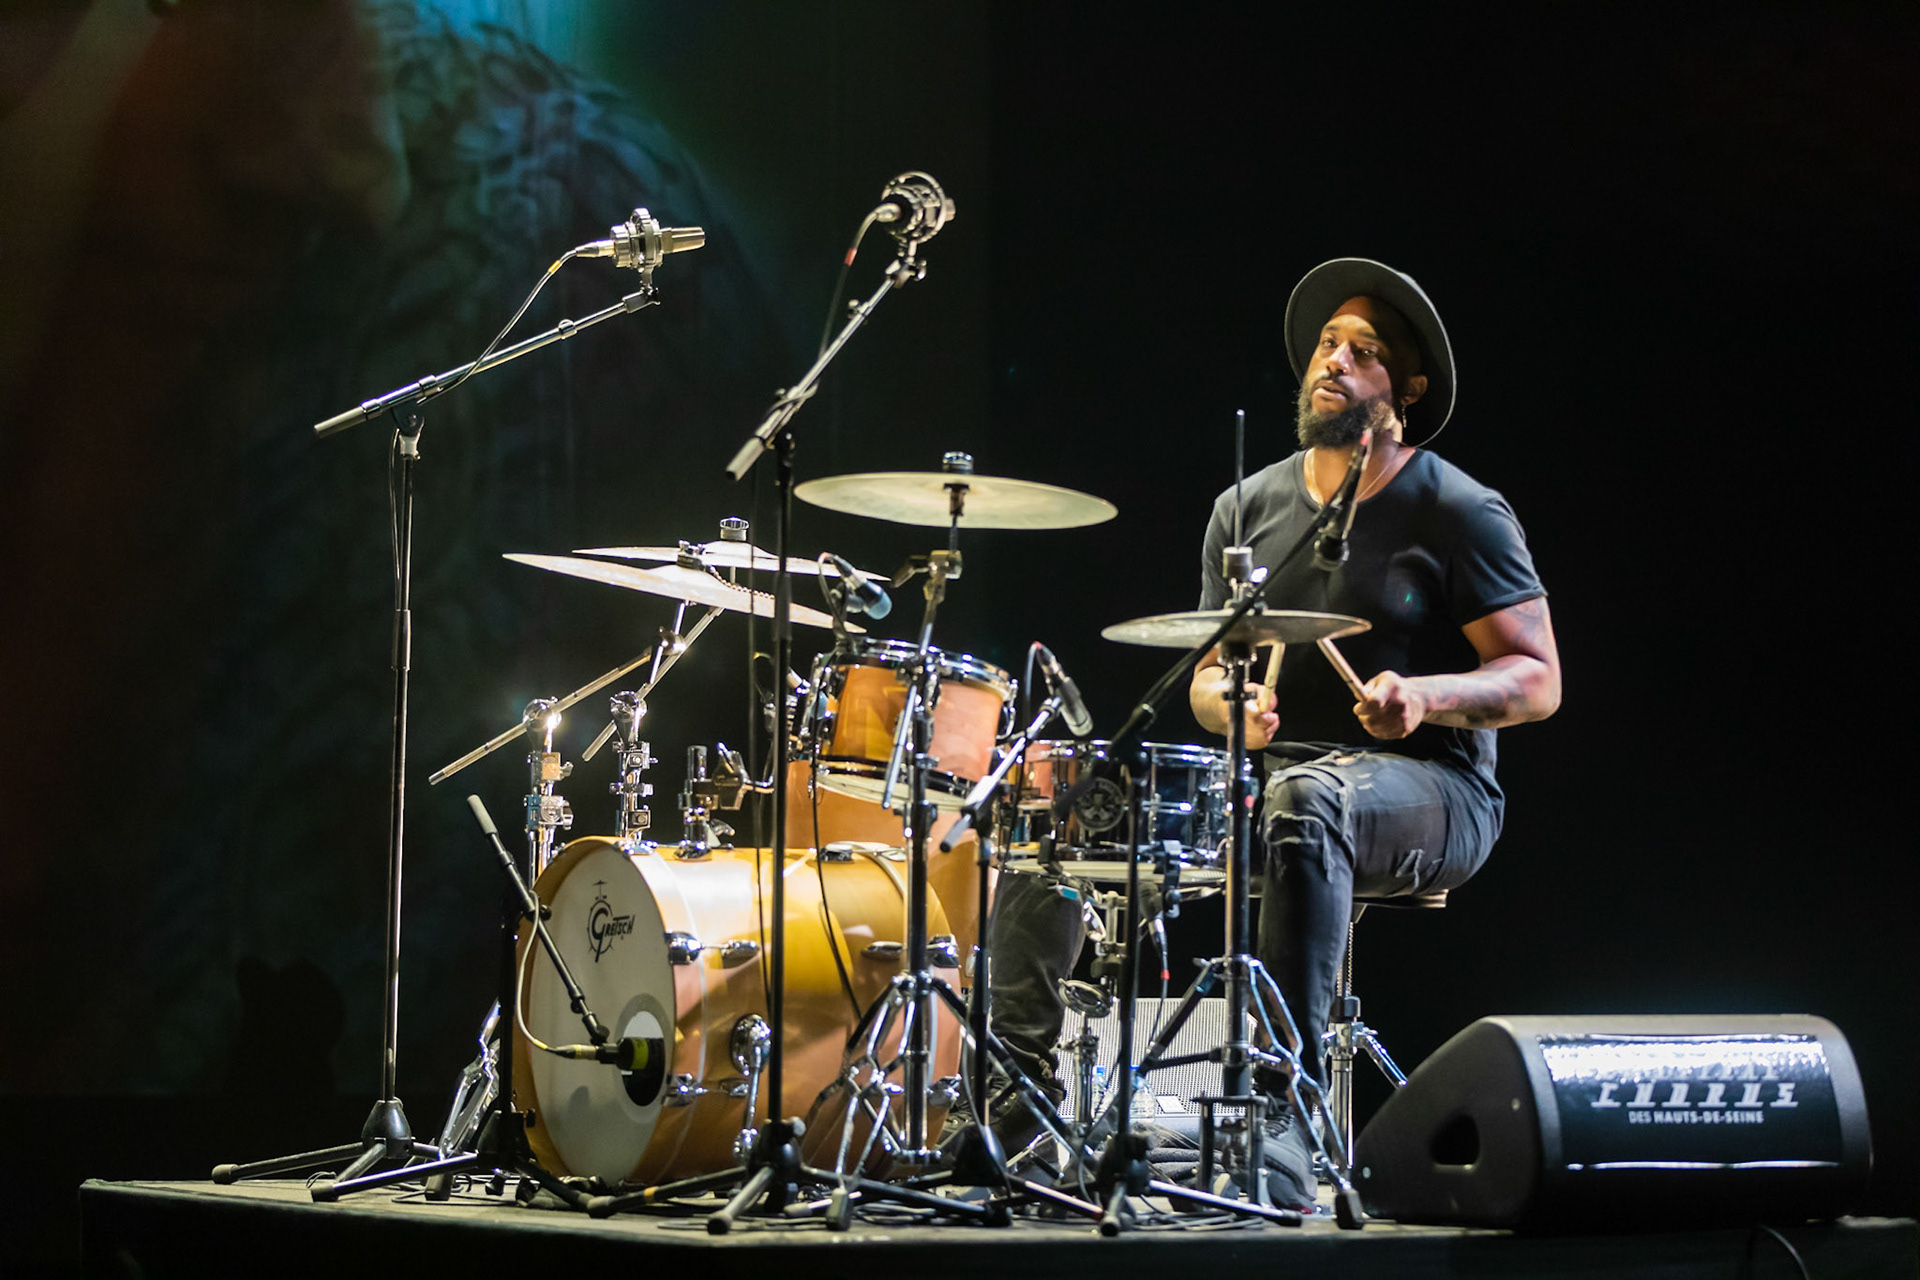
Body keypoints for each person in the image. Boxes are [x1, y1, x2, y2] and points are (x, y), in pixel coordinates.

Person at [965, 258, 1561, 1210]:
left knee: (1305, 802)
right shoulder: (1244, 510)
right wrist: (1227, 710)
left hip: (1433, 790)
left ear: (1405, 390)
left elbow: (1537, 680)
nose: (1335, 360)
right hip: (1275, 779)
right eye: (1328, 343)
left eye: (1364, 352)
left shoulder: (1457, 508)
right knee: (1071, 808)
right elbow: (1210, 676)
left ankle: (1282, 1106)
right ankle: (1013, 1105)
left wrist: (1425, 697)